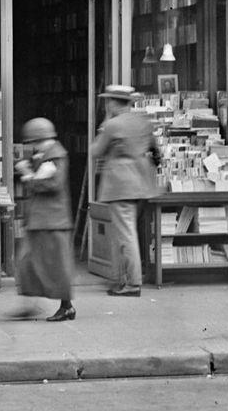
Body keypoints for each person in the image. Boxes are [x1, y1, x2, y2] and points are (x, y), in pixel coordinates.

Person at [89, 84, 161, 297]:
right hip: (142, 183)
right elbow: (155, 151)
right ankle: (124, 279)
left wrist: (105, 124)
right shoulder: (143, 122)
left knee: (126, 234)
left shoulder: (112, 125)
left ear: (112, 102)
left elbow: (95, 151)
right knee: (128, 232)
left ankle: (132, 283)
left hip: (121, 184)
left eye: (108, 101)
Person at [9, 117, 75, 322]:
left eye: (34, 142)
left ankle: (67, 307)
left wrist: (28, 174)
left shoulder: (55, 156)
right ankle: (29, 305)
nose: (32, 147)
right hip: (42, 219)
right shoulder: (47, 154)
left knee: (56, 265)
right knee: (27, 263)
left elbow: (52, 184)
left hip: (52, 220)